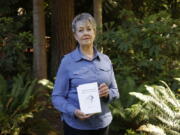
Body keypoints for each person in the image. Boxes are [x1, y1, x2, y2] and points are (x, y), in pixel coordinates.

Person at [52, 13, 119, 135]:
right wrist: (74, 111)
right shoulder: (67, 61)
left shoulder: (105, 60)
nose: (85, 33)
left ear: (94, 32)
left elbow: (115, 91)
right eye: (81, 30)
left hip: (102, 125)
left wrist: (107, 93)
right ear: (75, 36)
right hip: (76, 127)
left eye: (89, 29)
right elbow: (57, 97)